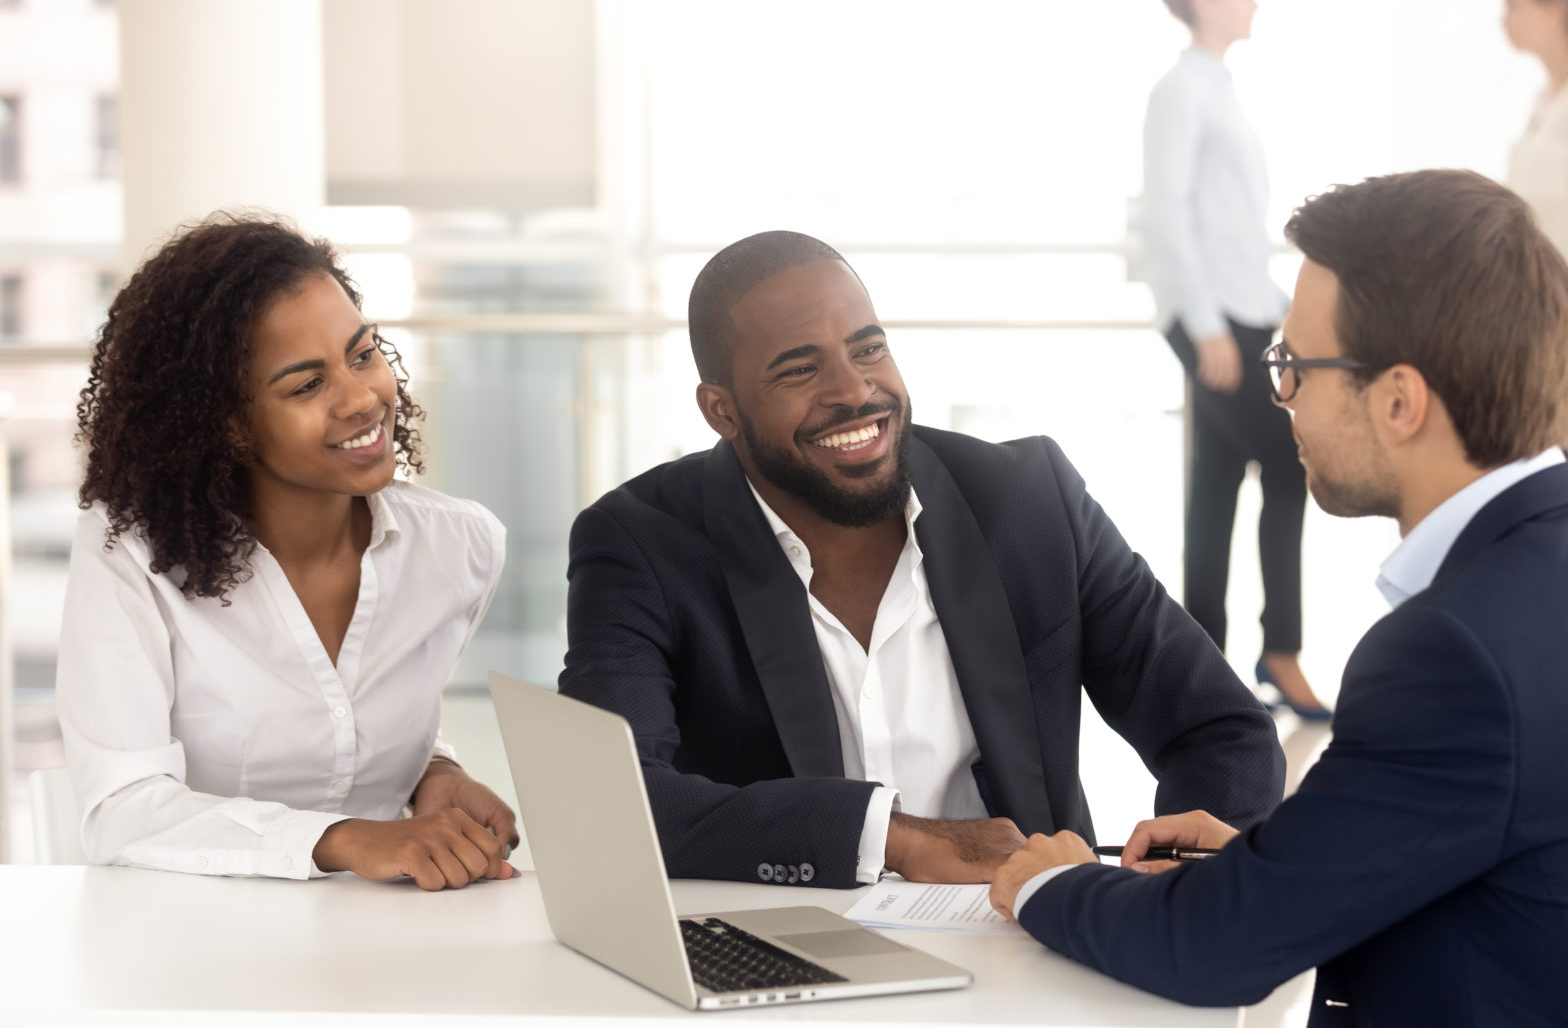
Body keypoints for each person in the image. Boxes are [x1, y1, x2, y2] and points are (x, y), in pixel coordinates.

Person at [990, 170, 1568, 1026]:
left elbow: (1214, 951)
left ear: (1400, 400)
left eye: (1294, 365)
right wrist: (1282, 865)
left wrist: (1045, 883)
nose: (1282, 397)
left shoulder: (1451, 652)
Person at [558, 230, 1284, 891]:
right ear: (721, 411)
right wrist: (894, 838)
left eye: (868, 348)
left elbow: (1219, 728)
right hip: (791, 961)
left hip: (1027, 943)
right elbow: (608, 796)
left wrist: (1180, 888)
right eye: (799, 370)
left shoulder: (1030, 501)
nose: (853, 392)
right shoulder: (640, 543)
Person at [58, 213, 517, 891]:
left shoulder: (461, 549)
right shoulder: (132, 556)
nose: (363, 398)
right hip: (186, 954)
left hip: (392, 939)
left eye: (362, 354)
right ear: (227, 421)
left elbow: (341, 730)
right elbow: (122, 809)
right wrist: (346, 839)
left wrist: (435, 773)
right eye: (307, 385)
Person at [1143, 0, 1328, 718]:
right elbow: (1167, 210)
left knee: (1217, 481)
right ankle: (1279, 651)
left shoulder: (1219, 87)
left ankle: (1205, 663)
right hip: (1212, 318)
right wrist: (1206, 323)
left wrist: (1277, 312)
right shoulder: (1181, 90)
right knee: (1289, 459)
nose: (1256, 2)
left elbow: (1232, 225)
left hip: (1246, 312)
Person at [1505, 0, 1568, 256]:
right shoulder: (1542, 101)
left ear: (1554, 10)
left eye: (1514, 5)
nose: (1504, 20)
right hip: (1541, 284)